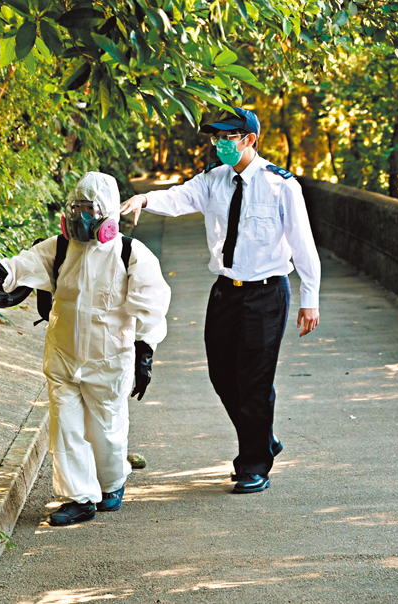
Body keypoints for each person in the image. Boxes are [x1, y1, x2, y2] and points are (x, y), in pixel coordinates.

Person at [119, 107, 321, 494]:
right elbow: (178, 198)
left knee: (255, 380)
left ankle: (253, 465)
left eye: (228, 138)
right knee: (221, 374)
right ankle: (262, 437)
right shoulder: (213, 180)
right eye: (216, 139)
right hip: (226, 291)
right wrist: (143, 200)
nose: (219, 145)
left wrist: (309, 299)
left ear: (249, 140)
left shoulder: (281, 186)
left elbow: (303, 245)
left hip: (267, 292)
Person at [0, 171, 171, 525]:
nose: (81, 216)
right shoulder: (60, 247)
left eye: (89, 209)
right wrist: (0, 269)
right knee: (65, 427)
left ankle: (111, 484)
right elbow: (24, 264)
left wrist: (145, 354)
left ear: (107, 213)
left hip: (108, 360)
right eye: (76, 207)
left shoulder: (130, 254)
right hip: (64, 356)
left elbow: (151, 310)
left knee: (106, 431)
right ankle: (78, 498)